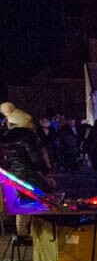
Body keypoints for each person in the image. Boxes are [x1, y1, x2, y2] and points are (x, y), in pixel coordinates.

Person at [0, 103, 54, 245]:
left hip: (15, 175)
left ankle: (21, 234)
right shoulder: (27, 137)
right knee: (42, 200)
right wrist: (46, 173)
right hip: (29, 174)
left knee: (24, 203)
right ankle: (38, 233)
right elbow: (35, 158)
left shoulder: (9, 137)